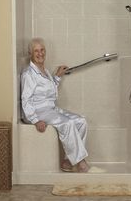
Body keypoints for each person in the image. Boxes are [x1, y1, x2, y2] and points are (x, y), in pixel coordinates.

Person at [21, 37, 89, 173]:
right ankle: (80, 162)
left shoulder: (44, 71)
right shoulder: (29, 74)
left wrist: (57, 77)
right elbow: (25, 99)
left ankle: (68, 162)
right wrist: (35, 120)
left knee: (81, 121)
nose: (40, 53)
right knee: (68, 123)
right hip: (38, 111)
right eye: (36, 51)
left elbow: (48, 92)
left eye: (42, 50)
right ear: (31, 54)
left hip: (50, 109)